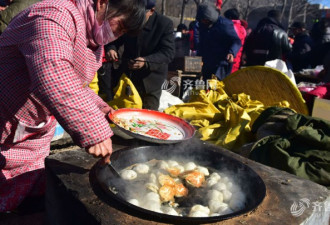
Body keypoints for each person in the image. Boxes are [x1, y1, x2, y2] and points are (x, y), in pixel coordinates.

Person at [0, 0, 146, 212]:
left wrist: (100, 109)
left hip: (32, 132)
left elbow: (75, 83)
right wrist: (93, 129)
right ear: (102, 3)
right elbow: (53, 74)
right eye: (120, 26)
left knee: (27, 201)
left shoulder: (92, 37)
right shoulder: (54, 15)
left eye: (123, 33)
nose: (117, 35)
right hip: (5, 121)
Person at [106, 0, 175, 110]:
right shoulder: (130, 18)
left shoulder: (164, 24)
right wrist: (111, 48)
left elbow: (168, 52)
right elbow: (115, 38)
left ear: (151, 11)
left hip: (151, 81)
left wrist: (146, 61)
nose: (136, 17)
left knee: (148, 116)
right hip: (128, 78)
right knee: (124, 113)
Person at [195, 3, 242, 80]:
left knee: (218, 86)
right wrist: (199, 56)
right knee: (206, 86)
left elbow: (236, 41)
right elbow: (202, 42)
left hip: (221, 63)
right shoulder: (202, 25)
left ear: (209, 17)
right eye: (202, 20)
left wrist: (232, 52)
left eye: (205, 20)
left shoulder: (224, 24)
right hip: (208, 62)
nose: (203, 22)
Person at [224, 8, 247, 73]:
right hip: (237, 60)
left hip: (228, 59)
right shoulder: (242, 28)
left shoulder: (230, 28)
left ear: (230, 17)